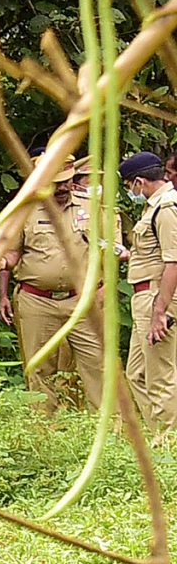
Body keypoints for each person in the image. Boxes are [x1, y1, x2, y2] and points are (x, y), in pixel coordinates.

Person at [0, 159, 102, 414]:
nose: (63, 187)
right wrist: (0, 265)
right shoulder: (24, 210)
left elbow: (107, 249)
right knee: (39, 368)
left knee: (97, 364)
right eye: (56, 183)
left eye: (67, 180)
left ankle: (107, 428)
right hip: (38, 301)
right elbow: (12, 254)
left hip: (81, 300)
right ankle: (44, 428)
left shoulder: (90, 207)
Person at [124, 152, 177, 430]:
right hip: (144, 298)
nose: (129, 192)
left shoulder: (166, 208)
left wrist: (160, 311)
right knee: (137, 374)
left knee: (160, 377)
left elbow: (173, 263)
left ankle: (168, 441)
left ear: (139, 182)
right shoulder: (152, 207)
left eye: (128, 186)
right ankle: (158, 433)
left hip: (157, 298)